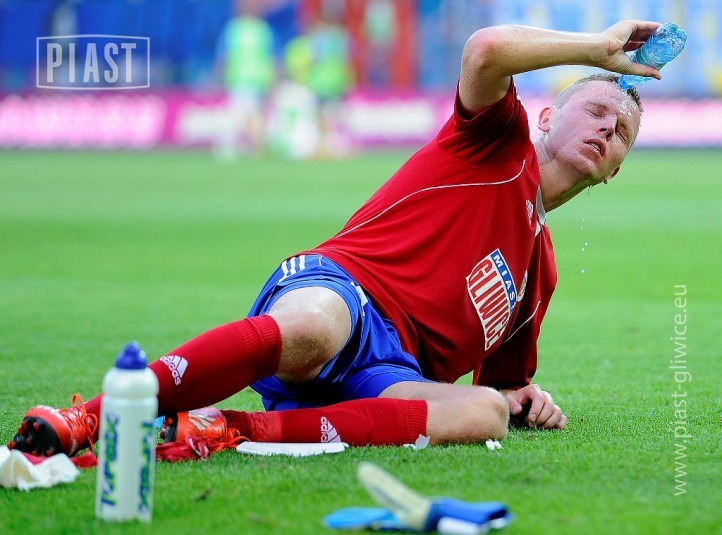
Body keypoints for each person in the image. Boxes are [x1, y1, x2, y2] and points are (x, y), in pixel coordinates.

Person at [8, 20, 663, 457]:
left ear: (614, 171)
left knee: (481, 415)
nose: (607, 130)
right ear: (546, 116)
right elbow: (485, 50)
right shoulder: (498, 140)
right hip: (343, 293)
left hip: (387, 377)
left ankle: (225, 427)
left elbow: (504, 385)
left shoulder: (538, 272)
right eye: (596, 110)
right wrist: (595, 50)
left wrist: (523, 400)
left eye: (622, 134)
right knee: (316, 329)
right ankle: (91, 417)